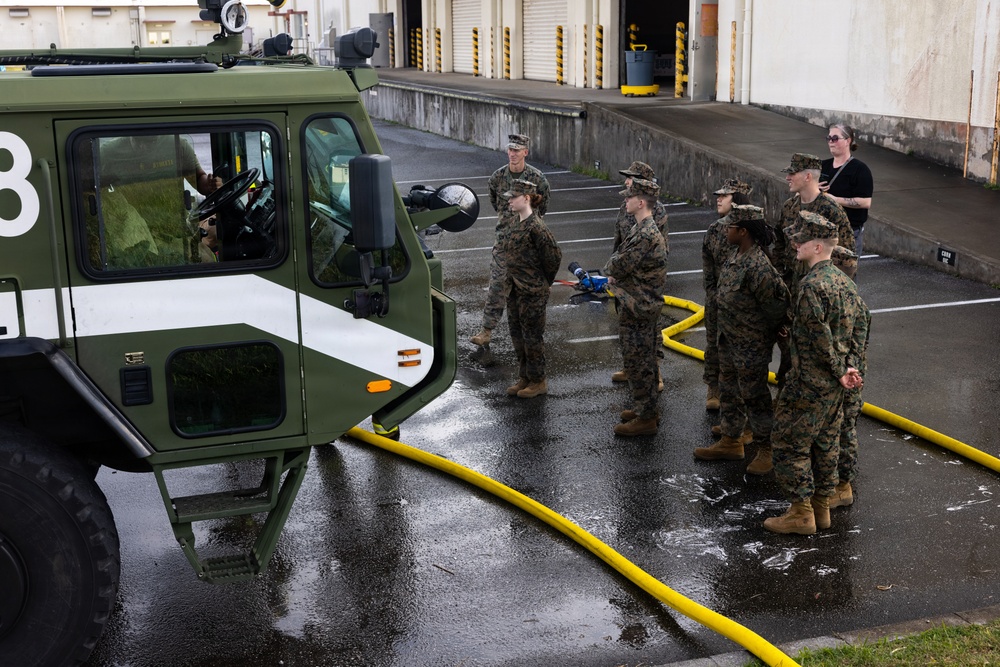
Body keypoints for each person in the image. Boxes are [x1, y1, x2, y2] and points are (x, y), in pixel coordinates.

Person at [764, 212, 869, 535]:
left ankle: (801, 513)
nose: (795, 243)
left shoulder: (812, 285)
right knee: (826, 444)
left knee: (788, 444)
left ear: (819, 247)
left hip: (810, 382)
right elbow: (860, 329)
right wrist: (850, 368)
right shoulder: (844, 283)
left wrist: (839, 370)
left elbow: (818, 337)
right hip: (836, 387)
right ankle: (822, 508)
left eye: (802, 240)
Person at [694, 205, 789, 473]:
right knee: (729, 391)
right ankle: (731, 440)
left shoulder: (759, 267)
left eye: (730, 227)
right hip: (729, 340)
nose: (725, 230)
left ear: (743, 231)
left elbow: (777, 310)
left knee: (755, 397)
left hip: (750, 346)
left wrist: (762, 339)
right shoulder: (735, 256)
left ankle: (767, 450)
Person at [470, 133, 551, 348]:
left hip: (527, 246)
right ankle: (486, 331)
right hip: (505, 243)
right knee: (497, 285)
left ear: (526, 152)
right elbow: (496, 204)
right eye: (510, 150)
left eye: (517, 150)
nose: (513, 154)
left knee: (526, 290)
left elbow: (542, 209)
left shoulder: (538, 179)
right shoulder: (497, 178)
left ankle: (530, 334)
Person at [604, 178, 668, 437]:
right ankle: (646, 408)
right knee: (641, 360)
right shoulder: (642, 229)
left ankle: (646, 418)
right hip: (636, 303)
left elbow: (619, 265)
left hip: (639, 306)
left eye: (629, 198)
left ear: (641, 203)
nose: (626, 201)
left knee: (639, 361)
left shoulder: (645, 234)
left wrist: (612, 271)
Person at [98, 133, 222, 265]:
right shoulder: (108, 153)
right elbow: (90, 187)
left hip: (175, 229)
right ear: (130, 134)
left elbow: (198, 178)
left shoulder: (178, 145)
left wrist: (209, 185)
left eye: (150, 142)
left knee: (207, 260)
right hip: (133, 233)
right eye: (139, 141)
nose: (144, 147)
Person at [611, 160, 669, 393]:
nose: (627, 181)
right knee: (626, 326)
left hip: (643, 282)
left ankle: (654, 371)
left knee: (648, 332)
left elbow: (658, 249)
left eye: (631, 178)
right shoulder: (626, 206)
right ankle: (631, 367)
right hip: (624, 280)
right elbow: (618, 242)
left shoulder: (656, 211)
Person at [500, 180, 562, 399]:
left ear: (526, 198)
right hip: (514, 289)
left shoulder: (537, 227)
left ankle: (538, 380)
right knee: (517, 334)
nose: (509, 200)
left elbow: (554, 258)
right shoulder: (515, 223)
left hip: (532, 291)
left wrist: (544, 283)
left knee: (532, 336)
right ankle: (525, 376)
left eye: (513, 196)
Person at [701, 178, 753, 411]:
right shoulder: (714, 230)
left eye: (725, 196)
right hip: (717, 301)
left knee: (739, 351)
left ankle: (740, 398)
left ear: (738, 200)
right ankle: (713, 388)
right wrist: (713, 295)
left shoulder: (751, 229)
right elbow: (708, 266)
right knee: (713, 345)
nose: (718, 199)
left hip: (741, 304)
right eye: (718, 195)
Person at [820, 124, 874, 258]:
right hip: (823, 231)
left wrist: (834, 199)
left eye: (835, 138)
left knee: (846, 276)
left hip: (848, 232)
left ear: (848, 141)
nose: (831, 142)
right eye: (829, 138)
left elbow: (865, 202)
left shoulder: (860, 169)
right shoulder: (822, 166)